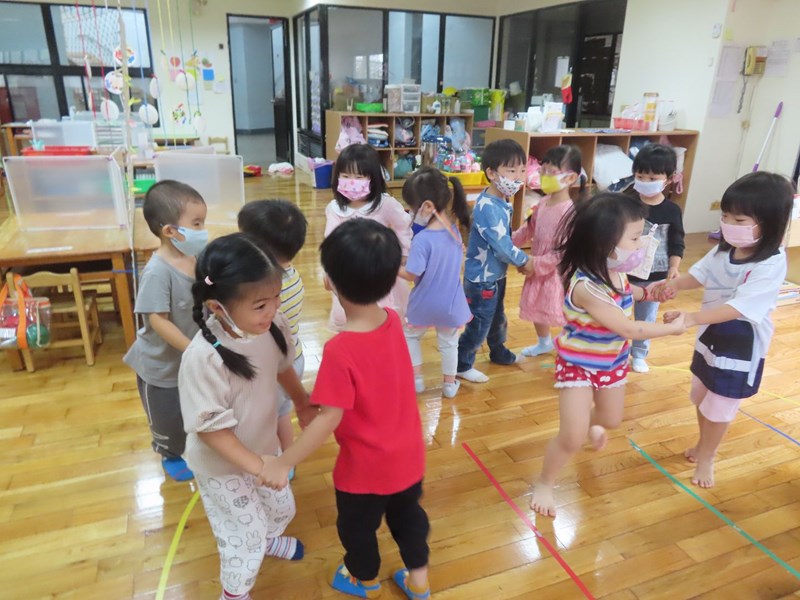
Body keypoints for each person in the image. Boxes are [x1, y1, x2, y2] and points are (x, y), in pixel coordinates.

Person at [260, 219, 431, 600]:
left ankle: (364, 580)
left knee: (357, 529)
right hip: (408, 458)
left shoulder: (340, 350)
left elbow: (328, 421)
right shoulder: (392, 321)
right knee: (409, 518)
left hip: (364, 470)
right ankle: (419, 581)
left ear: (331, 282)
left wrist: (284, 462)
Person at [530, 193, 686, 517]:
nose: (642, 244)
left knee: (611, 419)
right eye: (635, 238)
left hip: (611, 362)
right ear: (604, 243)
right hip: (578, 365)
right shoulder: (586, 287)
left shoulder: (615, 271)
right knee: (571, 438)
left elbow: (628, 292)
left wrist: (650, 292)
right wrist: (671, 329)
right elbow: (629, 328)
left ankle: (589, 423)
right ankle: (545, 482)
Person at [178, 233, 316, 600]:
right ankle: (234, 594)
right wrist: (258, 466)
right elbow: (210, 430)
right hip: (221, 465)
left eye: (276, 298)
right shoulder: (204, 357)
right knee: (244, 536)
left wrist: (302, 401)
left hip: (263, 449)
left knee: (282, 507)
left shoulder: (271, 326)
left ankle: (269, 539)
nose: (273, 309)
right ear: (218, 307)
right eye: (260, 305)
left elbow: (283, 367)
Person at [656, 172, 793, 489]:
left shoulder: (770, 263)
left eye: (739, 219)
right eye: (726, 215)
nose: (729, 223)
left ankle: (708, 456)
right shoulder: (723, 249)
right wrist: (673, 285)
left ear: (769, 222)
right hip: (709, 337)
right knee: (702, 394)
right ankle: (702, 444)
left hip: (740, 346)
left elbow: (738, 309)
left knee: (720, 405)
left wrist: (692, 317)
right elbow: (701, 275)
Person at [123, 180, 208, 482]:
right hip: (162, 366)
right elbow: (158, 321)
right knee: (167, 418)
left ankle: (194, 443)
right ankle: (170, 453)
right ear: (170, 231)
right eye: (196, 224)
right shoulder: (158, 272)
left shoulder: (195, 258)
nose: (203, 230)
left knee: (195, 405)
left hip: (192, 358)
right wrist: (192, 348)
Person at [238, 199, 308, 479]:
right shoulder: (291, 275)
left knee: (268, 419)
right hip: (294, 358)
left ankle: (275, 462)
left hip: (274, 369)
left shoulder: (263, 290)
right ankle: (288, 460)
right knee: (281, 413)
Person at [456, 139, 534, 384]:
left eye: (522, 170)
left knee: (497, 318)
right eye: (511, 171)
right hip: (482, 279)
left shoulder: (501, 200)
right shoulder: (488, 206)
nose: (518, 177)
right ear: (491, 173)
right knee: (480, 322)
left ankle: (498, 351)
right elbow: (501, 246)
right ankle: (461, 364)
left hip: (495, 275)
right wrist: (524, 260)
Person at [400, 166, 472, 399]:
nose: (411, 212)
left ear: (426, 206)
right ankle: (449, 385)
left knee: (411, 337)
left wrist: (391, 267)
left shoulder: (422, 239)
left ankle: (417, 380)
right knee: (449, 343)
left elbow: (412, 273)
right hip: (450, 304)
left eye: (412, 208)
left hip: (424, 303)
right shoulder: (454, 231)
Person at [324, 143, 412, 331]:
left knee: (383, 320)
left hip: (379, 271)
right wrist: (329, 269)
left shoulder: (385, 204)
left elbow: (403, 224)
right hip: (348, 274)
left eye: (359, 177)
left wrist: (404, 253)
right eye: (345, 176)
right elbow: (330, 239)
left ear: (373, 178)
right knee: (352, 321)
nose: (352, 182)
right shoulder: (334, 208)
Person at [512, 144, 582, 357]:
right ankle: (544, 342)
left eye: (551, 172)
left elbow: (564, 251)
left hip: (557, 271)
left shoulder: (569, 212)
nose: (543, 176)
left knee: (560, 308)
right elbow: (529, 228)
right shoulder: (543, 202)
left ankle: (571, 343)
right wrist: (508, 244)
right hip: (538, 265)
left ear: (571, 178)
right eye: (542, 170)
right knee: (537, 306)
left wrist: (536, 263)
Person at [627, 144, 685, 373]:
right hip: (624, 272)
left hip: (655, 275)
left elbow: (677, 241)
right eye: (640, 176)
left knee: (646, 318)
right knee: (617, 313)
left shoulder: (671, 210)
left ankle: (639, 354)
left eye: (652, 178)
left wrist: (674, 267)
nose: (645, 181)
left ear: (668, 179)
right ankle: (616, 350)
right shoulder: (627, 203)